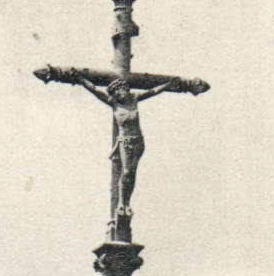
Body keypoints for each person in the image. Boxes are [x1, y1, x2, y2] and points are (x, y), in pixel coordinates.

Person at [70, 73, 187, 228]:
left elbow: (152, 92)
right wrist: (81, 79)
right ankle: (121, 203)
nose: (122, 93)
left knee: (132, 173)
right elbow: (95, 90)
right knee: (125, 172)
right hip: (125, 143)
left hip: (138, 141)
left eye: (123, 89)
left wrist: (167, 85)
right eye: (118, 91)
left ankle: (127, 203)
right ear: (115, 93)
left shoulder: (134, 100)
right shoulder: (114, 104)